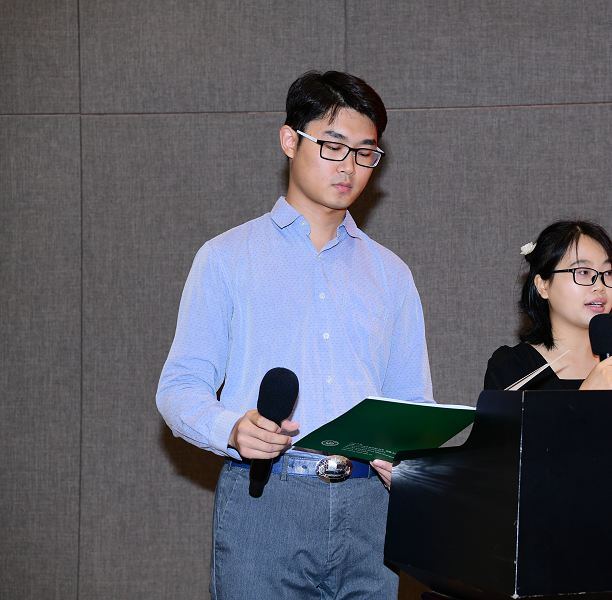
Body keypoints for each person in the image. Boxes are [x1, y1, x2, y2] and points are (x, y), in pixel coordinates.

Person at [156, 71, 433, 600]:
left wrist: (410, 456)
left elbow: (410, 401)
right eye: (333, 145)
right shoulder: (226, 258)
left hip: (371, 508)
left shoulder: (392, 274)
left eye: (365, 153)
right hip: (266, 498)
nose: (349, 166)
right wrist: (231, 429)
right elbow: (179, 387)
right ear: (290, 140)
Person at [484, 220, 612, 391]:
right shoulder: (512, 366)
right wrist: (586, 398)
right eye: (583, 272)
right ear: (543, 285)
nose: (600, 286)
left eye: (608, 273)